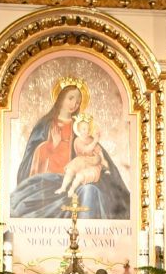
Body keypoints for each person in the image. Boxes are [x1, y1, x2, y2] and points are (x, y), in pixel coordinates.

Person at [11, 77, 131, 219]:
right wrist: (51, 145)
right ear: (61, 98)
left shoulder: (80, 128)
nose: (74, 104)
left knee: (91, 191)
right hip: (47, 181)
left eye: (78, 102)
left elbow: (94, 152)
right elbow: (29, 159)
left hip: (74, 180)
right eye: (71, 98)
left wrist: (100, 160)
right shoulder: (46, 124)